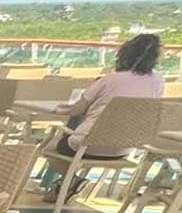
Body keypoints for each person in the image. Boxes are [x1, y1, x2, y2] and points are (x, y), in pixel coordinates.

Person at [38, 33, 165, 198]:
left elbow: (77, 110)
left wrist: (60, 110)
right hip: (124, 148)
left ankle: (71, 180)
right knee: (71, 146)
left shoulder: (109, 80)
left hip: (86, 146)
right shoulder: (158, 81)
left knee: (48, 147)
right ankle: (66, 185)